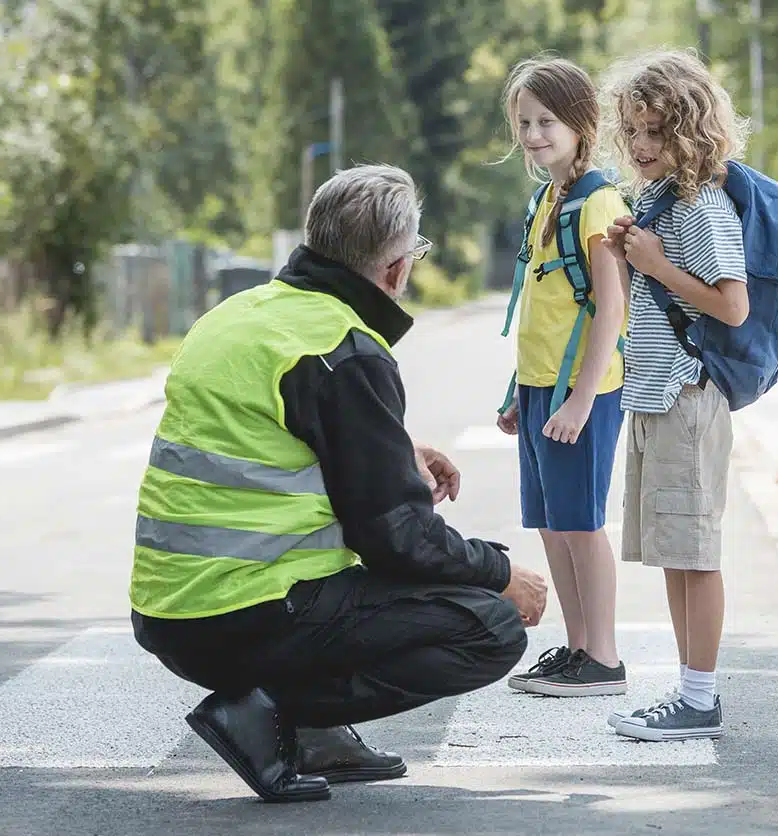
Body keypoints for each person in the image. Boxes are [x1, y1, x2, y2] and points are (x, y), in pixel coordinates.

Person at [128, 163, 549, 803]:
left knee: (411, 598)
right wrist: (498, 573)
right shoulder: (342, 350)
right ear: (395, 269)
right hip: (251, 613)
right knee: (488, 628)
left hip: (169, 615)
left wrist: (395, 445)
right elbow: (395, 538)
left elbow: (264, 431)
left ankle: (317, 732)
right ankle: (272, 710)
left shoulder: (236, 317)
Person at [597, 50, 750, 741]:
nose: (640, 146)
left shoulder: (702, 205)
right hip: (655, 397)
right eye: (631, 132)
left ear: (692, 130)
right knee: (673, 549)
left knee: (696, 550)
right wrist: (631, 255)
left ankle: (701, 698)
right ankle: (691, 690)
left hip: (687, 396)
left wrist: (656, 263)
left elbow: (733, 307)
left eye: (656, 131)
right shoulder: (658, 201)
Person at [494, 57, 632, 697]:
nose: (533, 134)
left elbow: (611, 310)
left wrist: (578, 399)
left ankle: (602, 657)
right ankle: (576, 647)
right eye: (523, 122)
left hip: (585, 391)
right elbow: (543, 307)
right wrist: (519, 393)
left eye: (547, 120)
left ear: (581, 124)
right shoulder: (547, 198)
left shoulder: (598, 204)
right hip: (540, 388)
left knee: (580, 521)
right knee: (551, 520)